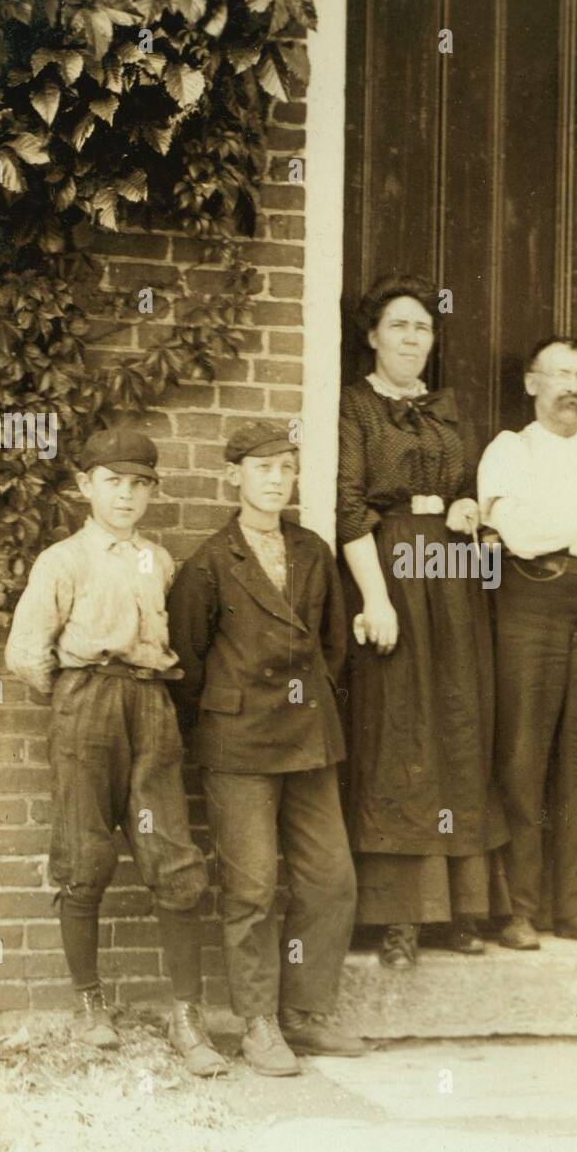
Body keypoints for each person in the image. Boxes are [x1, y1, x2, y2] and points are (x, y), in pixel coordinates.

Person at [4, 427, 226, 1076]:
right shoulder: (63, 561)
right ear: (85, 488)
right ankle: (89, 1004)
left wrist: (145, 692)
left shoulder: (160, 561)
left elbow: (180, 639)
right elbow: (25, 654)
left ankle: (187, 1017)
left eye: (139, 485)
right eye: (113, 483)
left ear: (153, 492)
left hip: (151, 708)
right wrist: (76, 695)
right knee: (84, 853)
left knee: (174, 859)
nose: (126, 495)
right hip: (86, 708)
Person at [167, 422, 365, 1076]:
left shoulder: (312, 552)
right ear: (235, 476)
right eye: (262, 469)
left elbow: (333, 647)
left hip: (309, 739)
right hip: (239, 745)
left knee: (330, 879)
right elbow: (188, 664)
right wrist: (226, 719)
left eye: (285, 468)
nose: (276, 480)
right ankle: (257, 1023)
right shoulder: (209, 563)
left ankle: (305, 1014)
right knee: (251, 889)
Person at [337, 275, 507, 969]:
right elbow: (349, 507)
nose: (413, 338)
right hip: (393, 574)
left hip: (453, 580)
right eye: (399, 326)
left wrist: (467, 510)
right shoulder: (354, 407)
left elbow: (464, 489)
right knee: (400, 729)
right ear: (372, 336)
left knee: (459, 721)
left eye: (423, 328)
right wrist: (375, 599)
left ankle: (461, 906)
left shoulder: (447, 408)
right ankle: (400, 915)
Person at [477, 336, 577, 951]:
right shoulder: (509, 450)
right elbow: (516, 533)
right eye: (559, 374)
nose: (572, 387)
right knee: (522, 759)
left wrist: (566, 524)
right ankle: (518, 910)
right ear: (531, 383)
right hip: (531, 611)